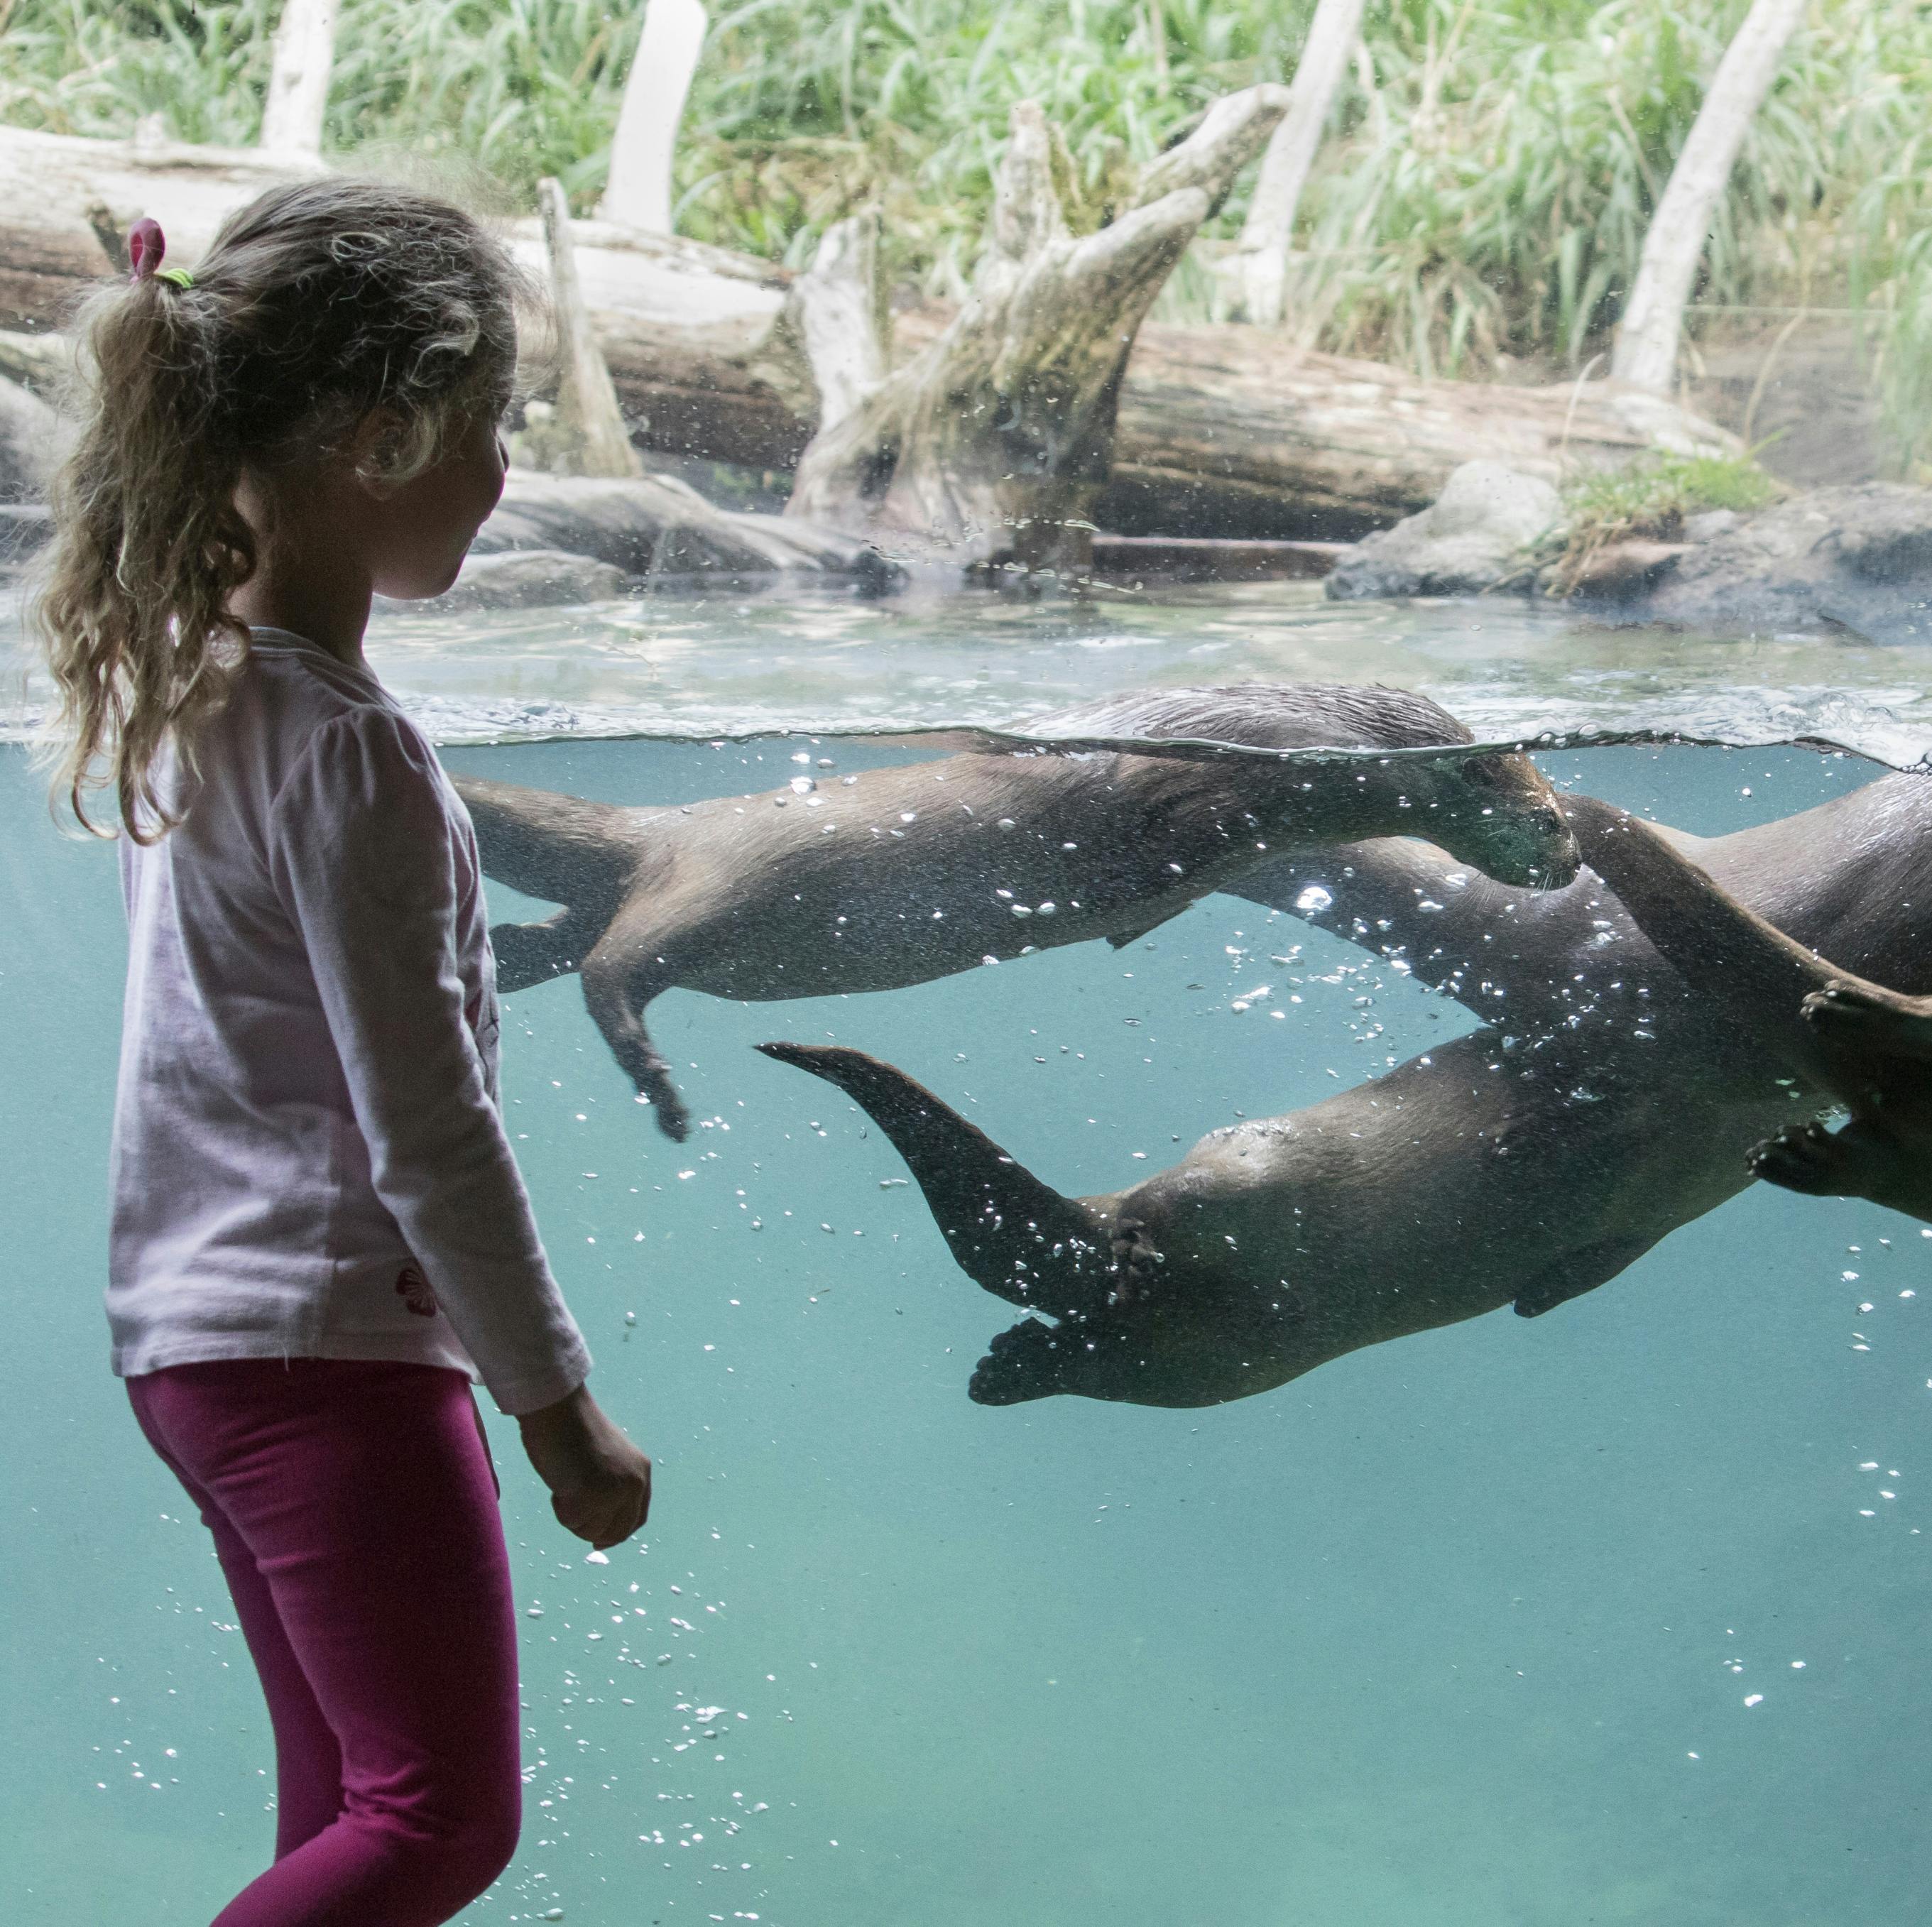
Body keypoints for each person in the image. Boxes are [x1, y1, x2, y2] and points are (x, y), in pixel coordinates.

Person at [30, 181, 653, 1926]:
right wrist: (559, 1411)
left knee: (347, 1814)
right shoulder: (351, 751)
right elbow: (427, 1129)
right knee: (439, 1823)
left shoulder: (209, 691)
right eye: (493, 427)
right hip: (328, 1356)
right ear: (384, 434)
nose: (506, 472)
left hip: (196, 1349)